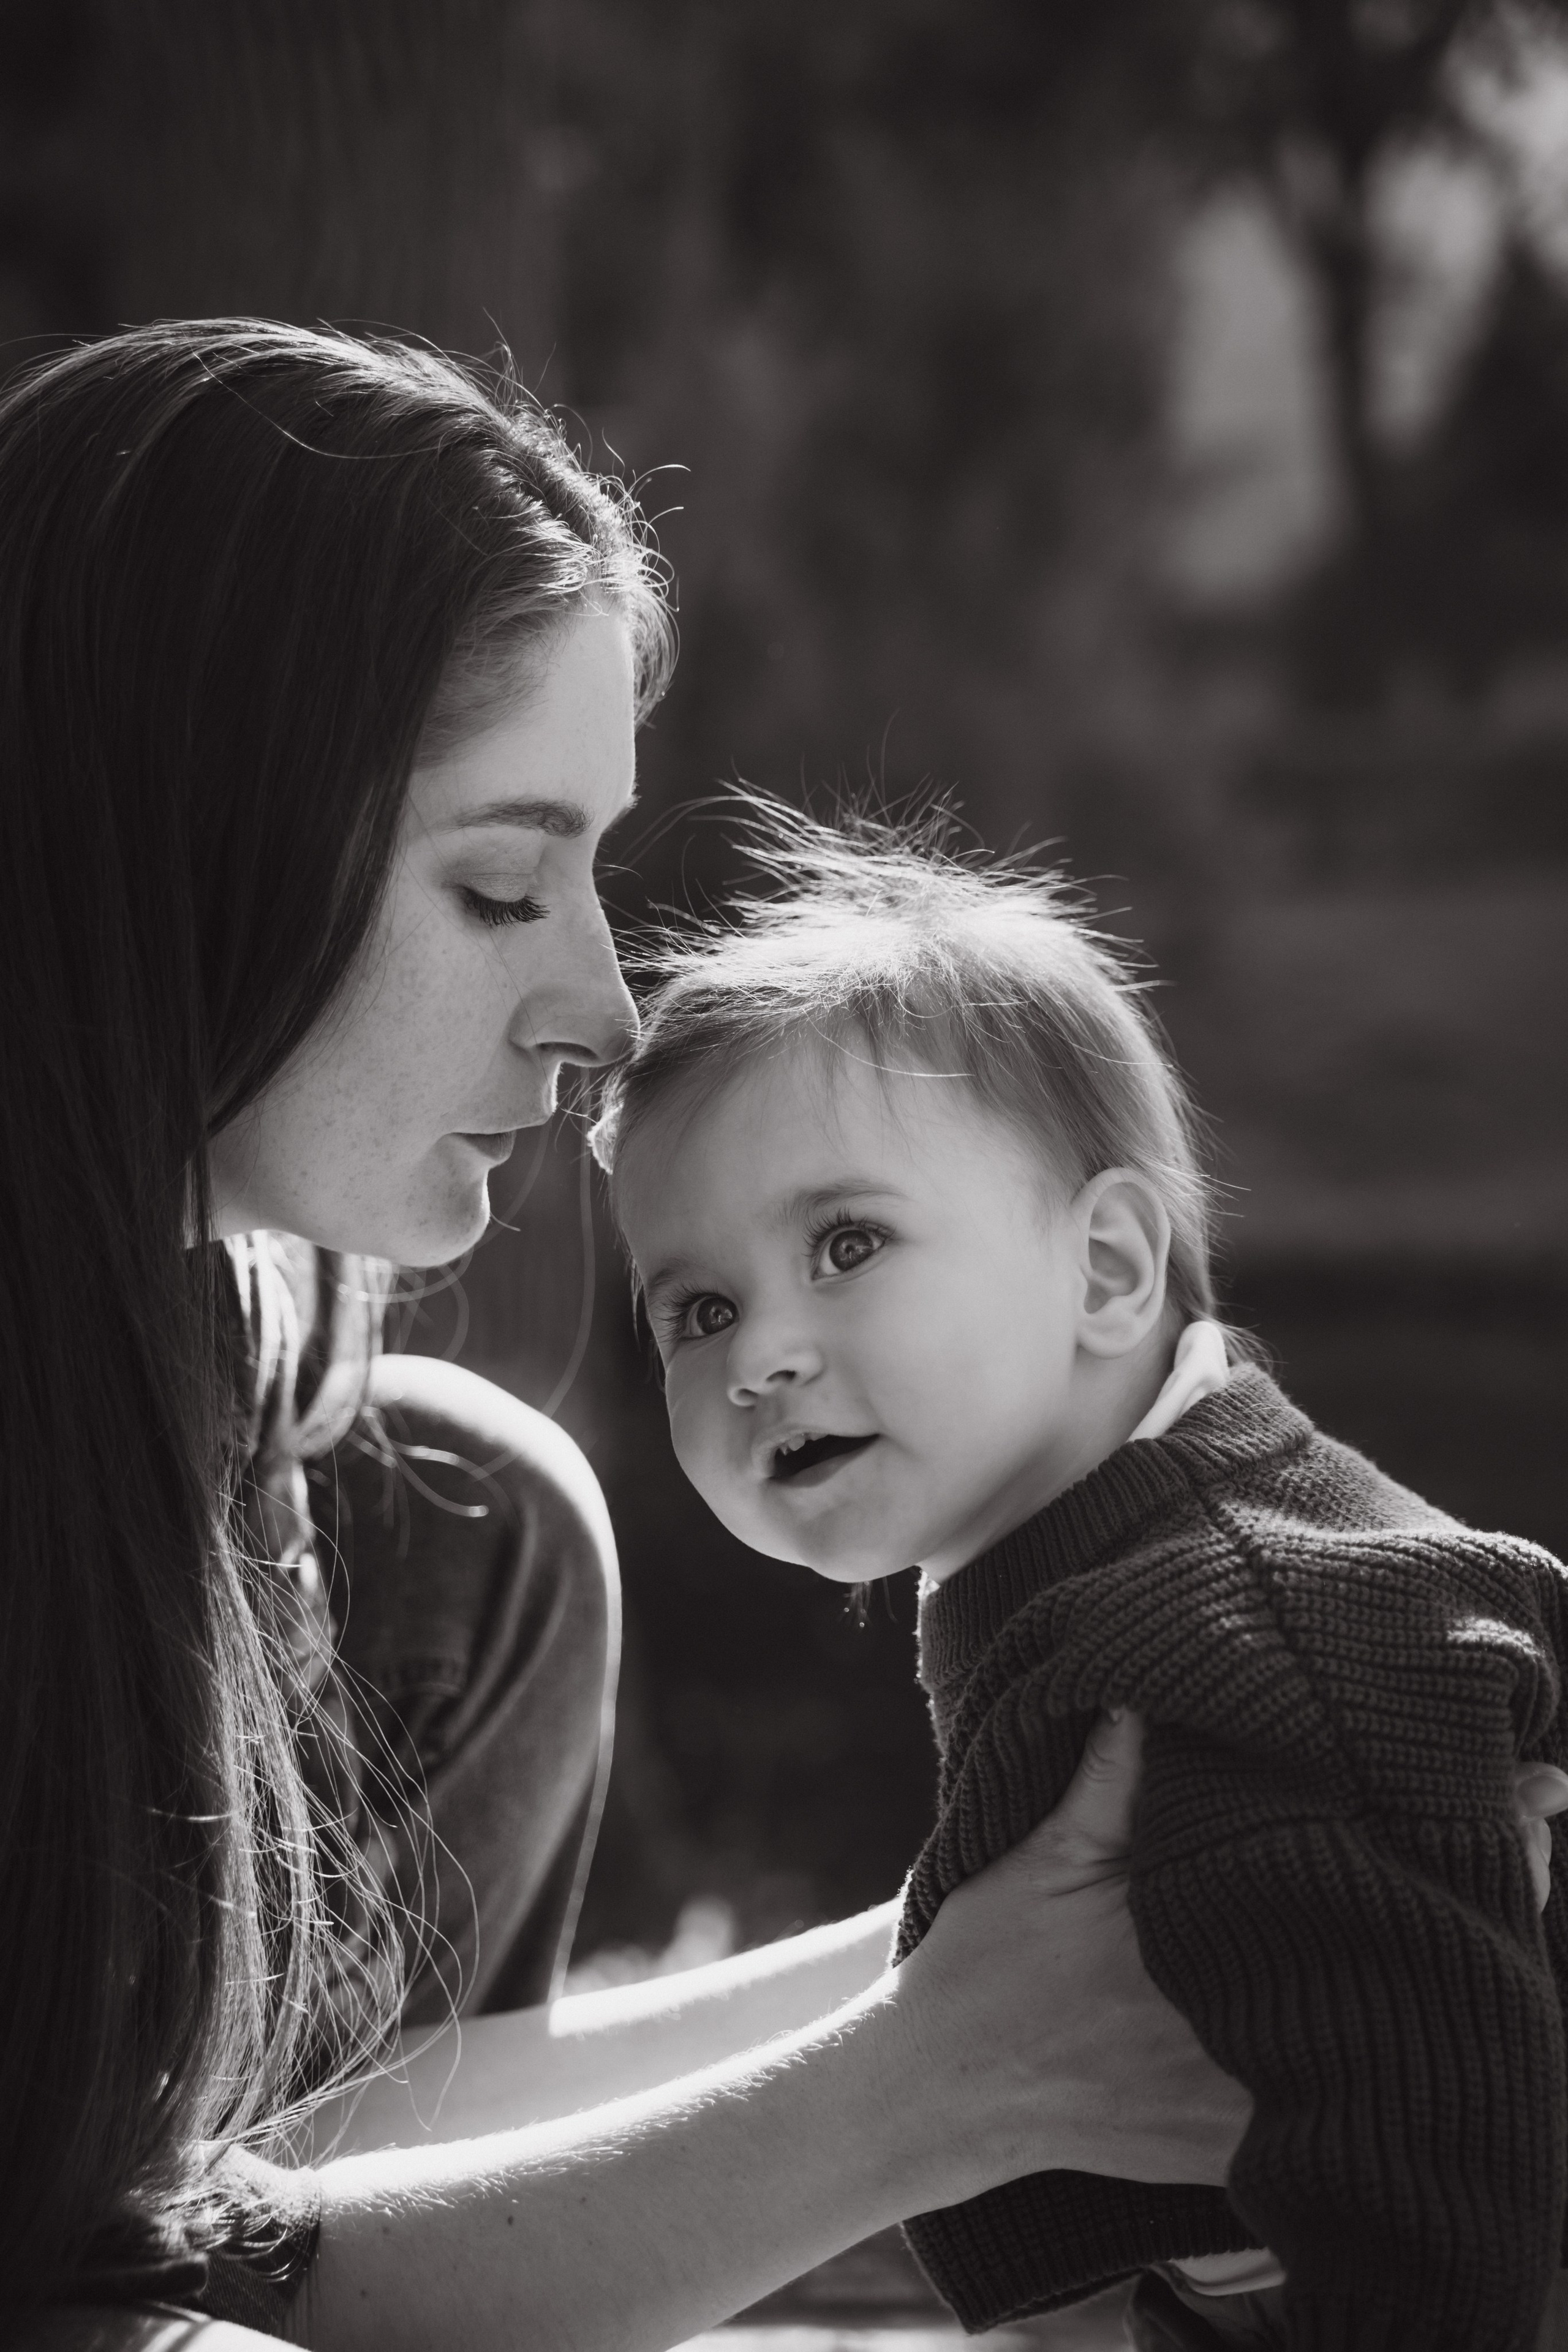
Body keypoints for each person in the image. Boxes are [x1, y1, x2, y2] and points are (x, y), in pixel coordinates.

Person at [0, 318, 1270, 2352]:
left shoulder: (239, 1384)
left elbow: (261, 2196)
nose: (603, 1014)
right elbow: (119, 2291)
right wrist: (933, 2092)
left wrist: (1017, 1944)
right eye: (502, 891)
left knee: (485, 1514)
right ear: (189, 831)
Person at [593, 806, 1568, 2352]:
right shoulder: (1094, 1568)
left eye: (846, 1244)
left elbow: (1444, 2177)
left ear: (1105, 1270)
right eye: (696, 1309)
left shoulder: (1252, 1632)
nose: (760, 1353)